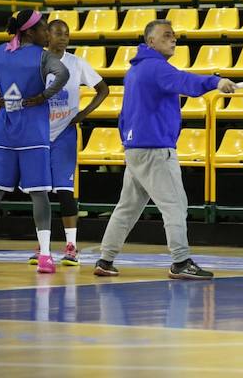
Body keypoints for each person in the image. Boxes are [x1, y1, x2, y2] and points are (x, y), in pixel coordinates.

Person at [93, 19, 235, 280]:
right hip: (155, 149)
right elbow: (185, 81)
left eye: (174, 35)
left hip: (135, 148)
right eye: (167, 35)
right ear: (151, 41)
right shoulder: (156, 68)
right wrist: (216, 82)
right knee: (175, 205)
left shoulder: (135, 70)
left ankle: (105, 258)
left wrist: (128, 140)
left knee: (127, 208)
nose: (173, 39)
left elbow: (124, 113)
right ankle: (180, 261)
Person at [0, 9, 70, 274]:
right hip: (34, 134)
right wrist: (44, 96)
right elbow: (63, 74)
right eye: (43, 29)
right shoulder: (43, 56)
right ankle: (45, 256)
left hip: (4, 132)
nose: (47, 33)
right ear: (30, 31)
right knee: (39, 193)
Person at [27, 19, 109, 266]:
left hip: (64, 133)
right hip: (38, 133)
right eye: (58, 33)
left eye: (66, 34)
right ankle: (42, 247)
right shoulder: (35, 62)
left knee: (65, 192)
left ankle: (71, 247)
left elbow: (103, 89)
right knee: (40, 192)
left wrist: (83, 114)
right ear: (47, 36)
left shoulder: (76, 63)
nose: (63, 38)